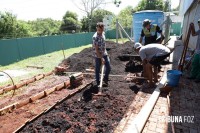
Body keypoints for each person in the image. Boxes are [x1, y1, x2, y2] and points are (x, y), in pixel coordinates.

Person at [92, 22, 111, 86]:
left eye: (102, 30)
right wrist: (101, 58)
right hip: (97, 55)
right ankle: (98, 82)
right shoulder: (95, 37)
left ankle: (105, 79)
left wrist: (105, 53)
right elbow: (96, 50)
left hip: (104, 53)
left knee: (108, 67)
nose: (101, 31)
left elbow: (104, 44)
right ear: (97, 28)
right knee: (97, 69)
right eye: (99, 30)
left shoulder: (103, 33)